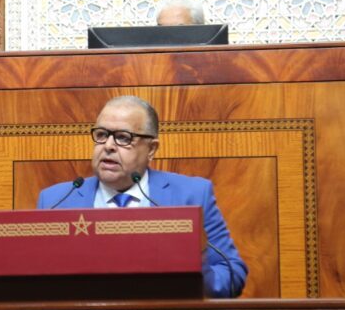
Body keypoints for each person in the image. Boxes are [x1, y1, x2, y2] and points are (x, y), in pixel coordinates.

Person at [37, 96, 247, 298]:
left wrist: (191, 274)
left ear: (151, 149)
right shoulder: (55, 201)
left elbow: (232, 275)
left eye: (123, 137)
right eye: (101, 134)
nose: (108, 146)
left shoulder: (192, 195)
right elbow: (38, 281)